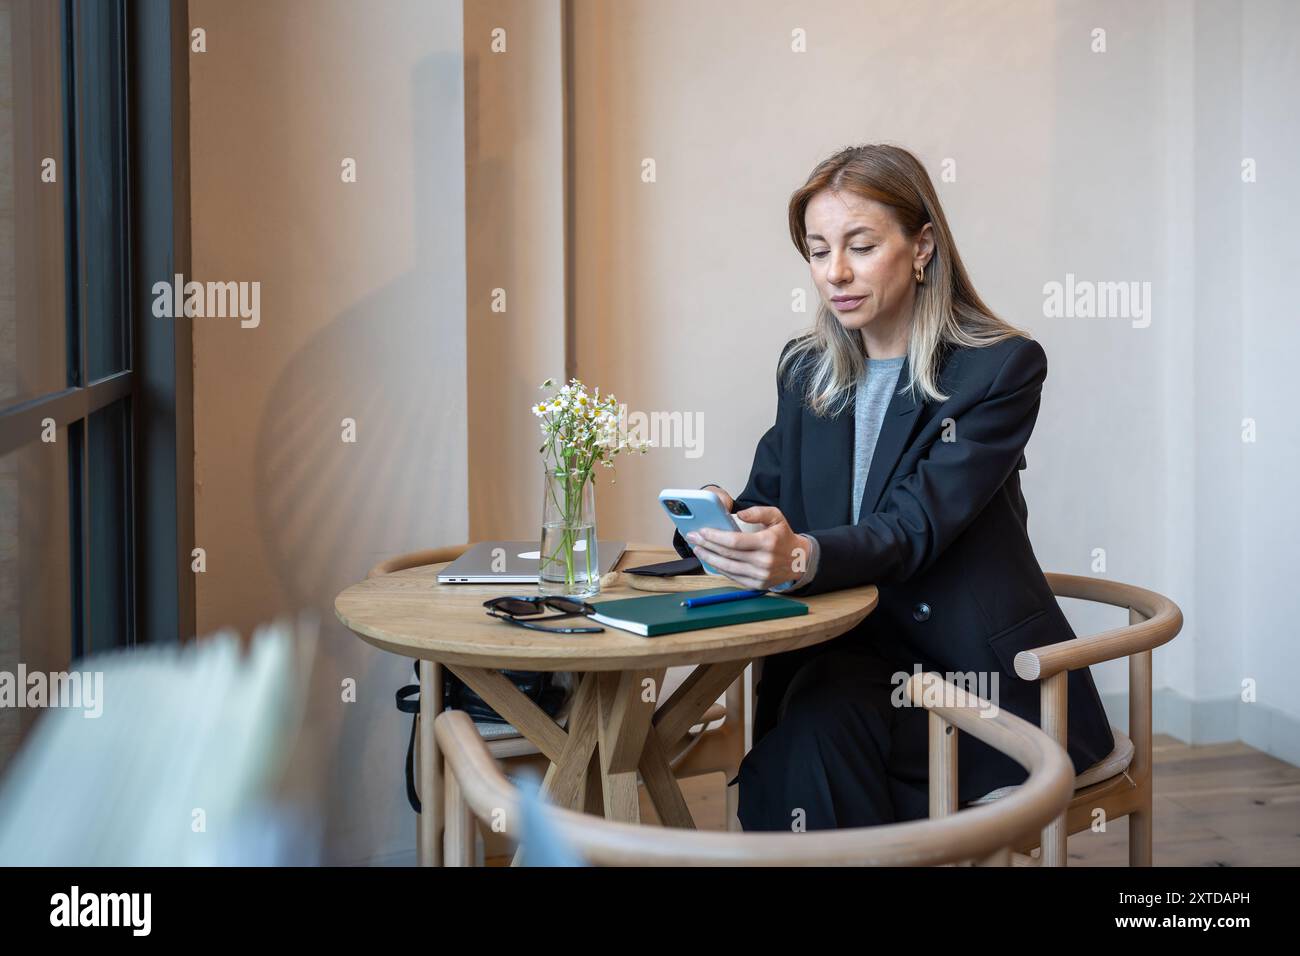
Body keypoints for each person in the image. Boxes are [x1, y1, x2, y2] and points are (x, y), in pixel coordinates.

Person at [670, 143, 1115, 831]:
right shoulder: (806, 371)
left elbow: (914, 527)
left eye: (861, 245)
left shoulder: (997, 370)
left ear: (922, 247)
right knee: (814, 727)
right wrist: (721, 520)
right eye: (818, 251)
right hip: (846, 666)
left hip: (970, 684)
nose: (835, 272)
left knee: (810, 742)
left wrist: (803, 558)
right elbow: (769, 496)